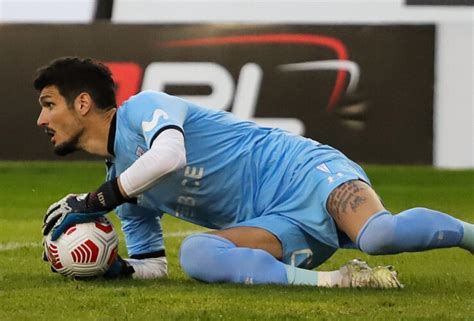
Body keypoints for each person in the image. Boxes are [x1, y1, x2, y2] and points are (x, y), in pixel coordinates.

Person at [34, 57, 473, 288]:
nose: (42, 120)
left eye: (49, 104)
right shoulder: (127, 188)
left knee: (379, 238)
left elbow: (169, 156)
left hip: (304, 171)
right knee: (196, 255)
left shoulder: (144, 108)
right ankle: (340, 282)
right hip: (273, 223)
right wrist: (114, 266)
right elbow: (154, 267)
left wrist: (94, 202)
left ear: (84, 104)